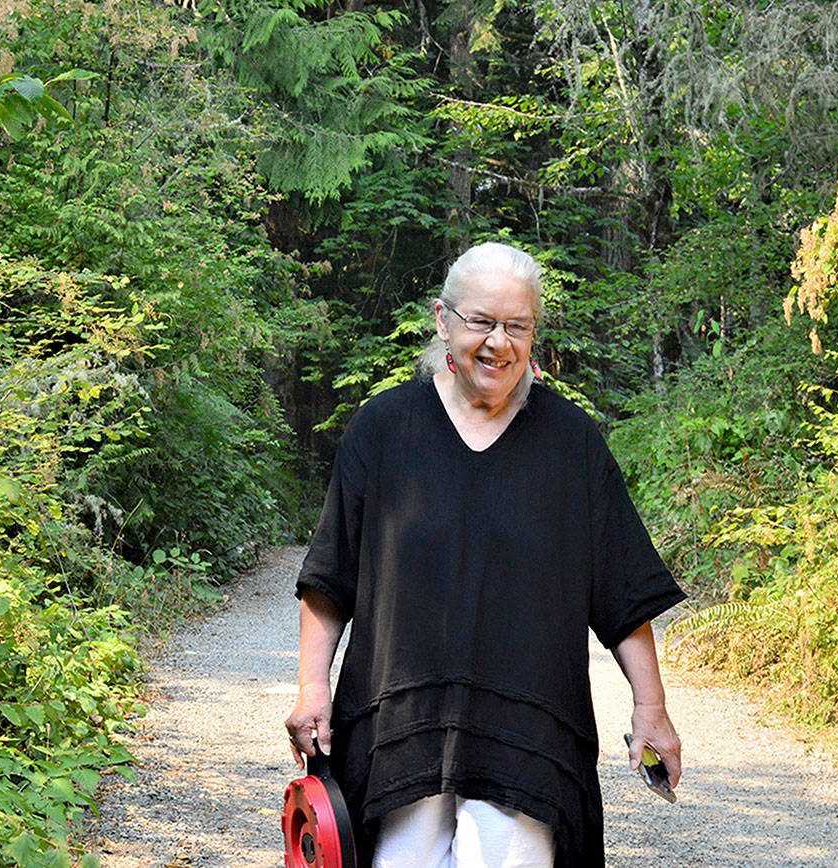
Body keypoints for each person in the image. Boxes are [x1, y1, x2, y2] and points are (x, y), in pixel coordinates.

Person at [285, 242, 685, 867]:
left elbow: (622, 590)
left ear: (533, 335)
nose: (499, 342)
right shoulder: (383, 430)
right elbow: (329, 580)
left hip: (526, 741)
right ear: (444, 321)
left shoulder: (571, 445)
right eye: (482, 321)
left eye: (517, 326)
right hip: (400, 734)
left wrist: (651, 707)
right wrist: (313, 687)